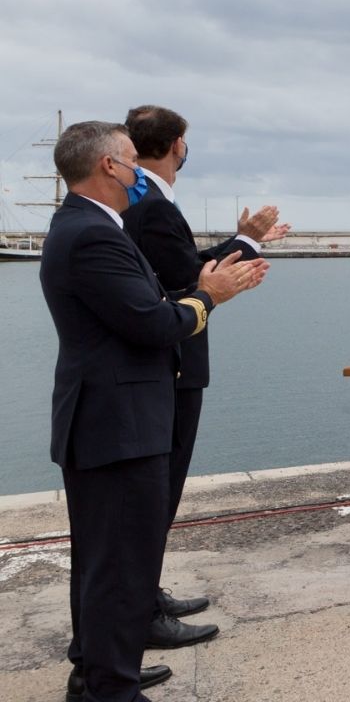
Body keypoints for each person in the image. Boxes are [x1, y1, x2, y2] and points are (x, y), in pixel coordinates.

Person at [40, 121, 267, 702]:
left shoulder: (90, 226)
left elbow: (145, 305)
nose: (138, 168)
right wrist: (210, 296)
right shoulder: (92, 234)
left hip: (108, 417)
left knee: (105, 561)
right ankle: (109, 688)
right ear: (108, 168)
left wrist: (200, 291)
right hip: (117, 422)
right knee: (117, 563)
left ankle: (94, 672)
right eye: (129, 159)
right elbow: (152, 323)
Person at [121, 105, 289, 650]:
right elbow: (190, 276)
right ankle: (141, 611)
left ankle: (146, 596)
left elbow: (185, 265)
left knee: (158, 490)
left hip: (168, 357)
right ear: (175, 145)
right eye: (186, 142)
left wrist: (244, 241)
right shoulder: (150, 204)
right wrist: (248, 244)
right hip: (172, 359)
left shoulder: (146, 201)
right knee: (158, 490)